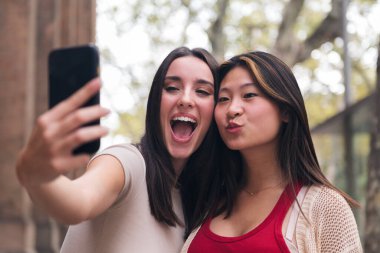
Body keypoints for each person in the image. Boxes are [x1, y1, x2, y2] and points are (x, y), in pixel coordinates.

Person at [15, 46, 219, 253]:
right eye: (172, 88)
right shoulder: (128, 162)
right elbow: (78, 201)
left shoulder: (196, 207)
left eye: (202, 91)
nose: (185, 99)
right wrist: (39, 176)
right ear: (156, 101)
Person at [181, 51, 363, 252]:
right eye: (223, 99)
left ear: (285, 110)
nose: (232, 109)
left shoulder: (325, 207)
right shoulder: (205, 199)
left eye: (249, 95)